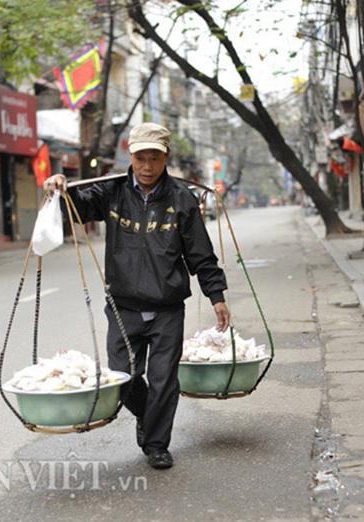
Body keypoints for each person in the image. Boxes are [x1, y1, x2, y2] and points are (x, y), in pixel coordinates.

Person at [43, 122, 230, 470]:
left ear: (165, 158)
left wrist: (216, 294)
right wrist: (59, 189)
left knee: (163, 380)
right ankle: (151, 416)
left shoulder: (181, 199)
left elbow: (200, 255)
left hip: (167, 308)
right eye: (140, 158)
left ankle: (157, 444)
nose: (146, 167)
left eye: (154, 159)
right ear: (131, 156)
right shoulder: (112, 192)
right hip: (123, 305)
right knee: (123, 377)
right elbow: (77, 206)